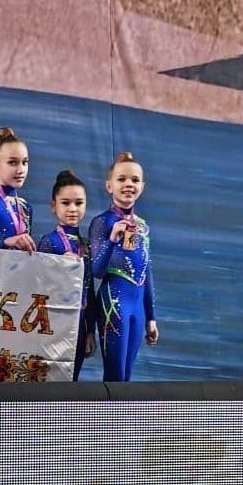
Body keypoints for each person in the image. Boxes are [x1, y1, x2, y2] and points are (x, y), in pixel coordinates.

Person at [89, 151, 158, 381]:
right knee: (115, 374)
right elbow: (97, 271)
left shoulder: (142, 226)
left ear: (142, 187)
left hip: (137, 306)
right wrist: (112, 239)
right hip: (114, 301)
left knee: (127, 376)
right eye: (122, 179)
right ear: (109, 185)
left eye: (135, 180)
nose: (129, 184)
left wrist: (151, 317)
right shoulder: (102, 222)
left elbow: (146, 271)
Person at [37, 169, 97, 380]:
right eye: (66, 203)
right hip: (54, 323)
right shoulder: (49, 242)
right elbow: (38, 286)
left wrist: (90, 331)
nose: (73, 209)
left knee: (73, 379)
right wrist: (61, 269)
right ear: (53, 206)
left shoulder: (86, 246)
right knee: (50, 379)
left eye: (79, 203)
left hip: (79, 324)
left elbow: (89, 292)